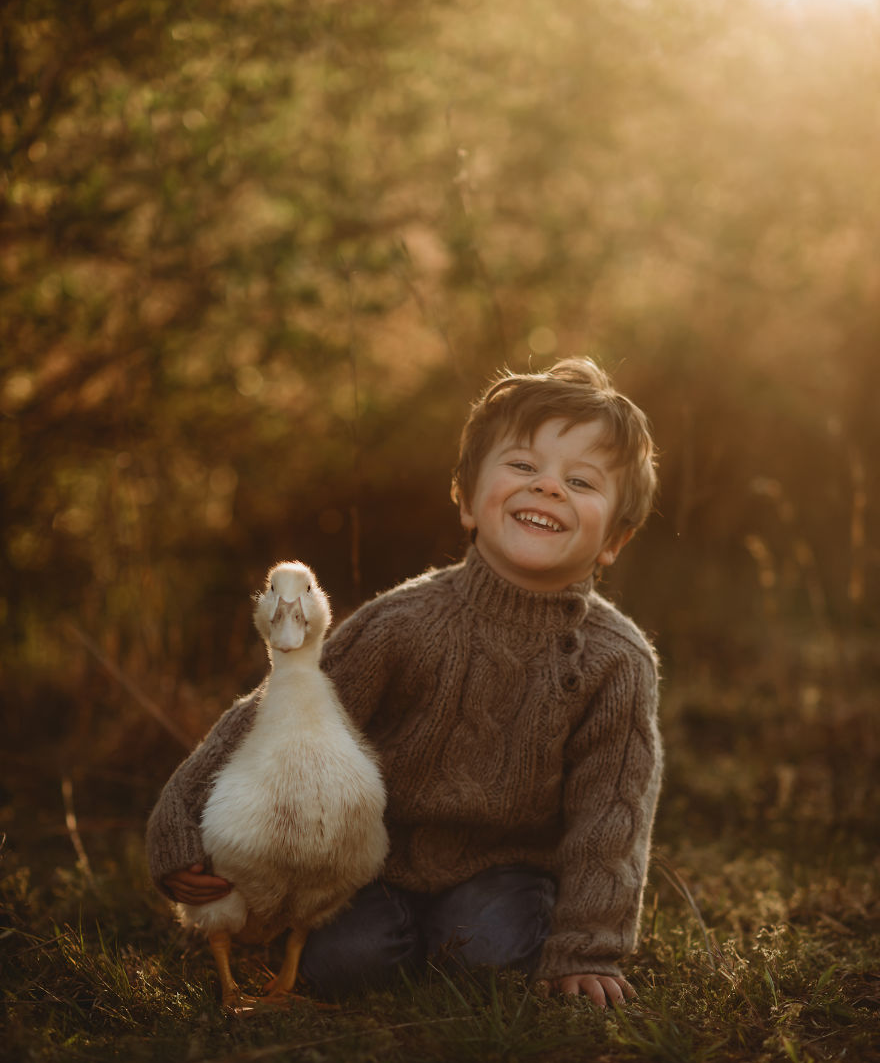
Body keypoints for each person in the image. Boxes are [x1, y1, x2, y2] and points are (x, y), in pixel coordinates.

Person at [147, 357, 663, 1007]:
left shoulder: (617, 662)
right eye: (524, 467)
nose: (549, 488)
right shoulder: (405, 622)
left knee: (489, 955)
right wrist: (180, 827)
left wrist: (587, 949)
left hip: (505, 870)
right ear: (468, 500)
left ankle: (468, 940)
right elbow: (276, 713)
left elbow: (609, 819)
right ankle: (383, 941)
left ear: (615, 538)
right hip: (372, 862)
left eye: (581, 480)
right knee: (344, 961)